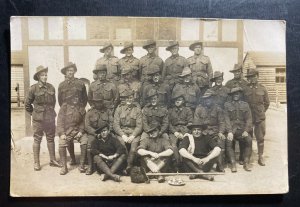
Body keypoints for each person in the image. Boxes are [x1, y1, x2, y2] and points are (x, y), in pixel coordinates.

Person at [25, 65, 61, 171]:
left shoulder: (51, 87)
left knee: (51, 138)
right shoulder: (33, 88)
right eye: (42, 75)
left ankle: (53, 160)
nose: (45, 77)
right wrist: (34, 114)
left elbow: (53, 102)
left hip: (49, 118)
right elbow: (27, 104)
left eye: (46, 75)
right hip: (38, 119)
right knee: (37, 139)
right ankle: (36, 163)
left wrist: (49, 112)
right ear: (38, 77)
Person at [58, 62, 88, 165]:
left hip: (78, 110)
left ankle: (82, 163)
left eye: (72, 70)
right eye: (68, 71)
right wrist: (66, 109)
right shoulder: (61, 85)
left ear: (74, 71)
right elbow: (60, 101)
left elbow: (84, 99)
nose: (70, 72)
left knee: (83, 138)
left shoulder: (80, 83)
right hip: (67, 112)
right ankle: (72, 158)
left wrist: (79, 109)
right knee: (67, 138)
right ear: (65, 72)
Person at [194, 89, 226, 172]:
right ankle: (202, 163)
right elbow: (197, 123)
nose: (207, 100)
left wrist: (221, 132)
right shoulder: (199, 109)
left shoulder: (218, 109)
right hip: (203, 132)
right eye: (205, 99)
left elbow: (222, 122)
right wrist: (201, 133)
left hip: (215, 132)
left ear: (213, 99)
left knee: (220, 142)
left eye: (209, 98)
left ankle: (220, 164)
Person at [244, 68, 270, 166]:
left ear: (257, 77)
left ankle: (260, 157)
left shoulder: (262, 88)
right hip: (249, 117)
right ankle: (248, 157)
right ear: (249, 78)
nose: (253, 79)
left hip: (259, 117)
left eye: (254, 76)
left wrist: (261, 111)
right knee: (248, 138)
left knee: (260, 138)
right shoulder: (246, 89)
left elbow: (267, 103)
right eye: (250, 77)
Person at [113, 88, 143, 173]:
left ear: (133, 98)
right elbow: (116, 125)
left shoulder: (137, 109)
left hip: (134, 133)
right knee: (122, 147)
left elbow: (139, 126)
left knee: (133, 150)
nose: (129, 100)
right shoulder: (119, 108)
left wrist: (133, 135)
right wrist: (123, 135)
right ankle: (122, 166)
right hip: (122, 132)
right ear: (124, 99)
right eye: (127, 98)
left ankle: (129, 166)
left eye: (131, 98)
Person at [57, 93, 87, 175]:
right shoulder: (64, 107)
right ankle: (64, 167)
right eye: (74, 97)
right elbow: (60, 122)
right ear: (70, 98)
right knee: (62, 144)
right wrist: (62, 133)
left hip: (78, 131)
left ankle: (82, 165)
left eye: (77, 97)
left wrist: (81, 131)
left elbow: (84, 121)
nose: (75, 99)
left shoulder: (81, 107)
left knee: (85, 142)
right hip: (67, 131)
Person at [224, 87, 253, 172]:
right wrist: (229, 131)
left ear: (240, 94)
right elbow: (226, 119)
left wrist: (246, 131)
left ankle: (246, 162)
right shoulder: (227, 105)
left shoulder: (245, 105)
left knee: (249, 140)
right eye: (234, 94)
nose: (236, 95)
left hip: (242, 129)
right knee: (229, 141)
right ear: (231, 95)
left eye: (237, 93)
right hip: (232, 129)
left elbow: (249, 119)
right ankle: (233, 163)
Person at [85, 95, 114, 175]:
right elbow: (87, 126)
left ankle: (112, 165)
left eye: (100, 102)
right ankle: (90, 166)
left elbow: (111, 122)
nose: (99, 104)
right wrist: (95, 133)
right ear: (94, 102)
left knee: (114, 142)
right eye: (97, 102)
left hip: (106, 132)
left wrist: (108, 132)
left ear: (102, 102)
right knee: (89, 146)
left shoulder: (107, 111)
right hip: (94, 133)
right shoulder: (90, 112)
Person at [168, 90, 193, 171]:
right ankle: (176, 164)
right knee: (173, 146)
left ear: (183, 101)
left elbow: (190, 123)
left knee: (184, 145)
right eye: (176, 100)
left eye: (179, 100)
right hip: (173, 131)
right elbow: (168, 124)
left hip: (185, 130)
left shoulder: (188, 110)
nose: (177, 101)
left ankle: (184, 164)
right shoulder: (170, 111)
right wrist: (175, 132)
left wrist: (184, 133)